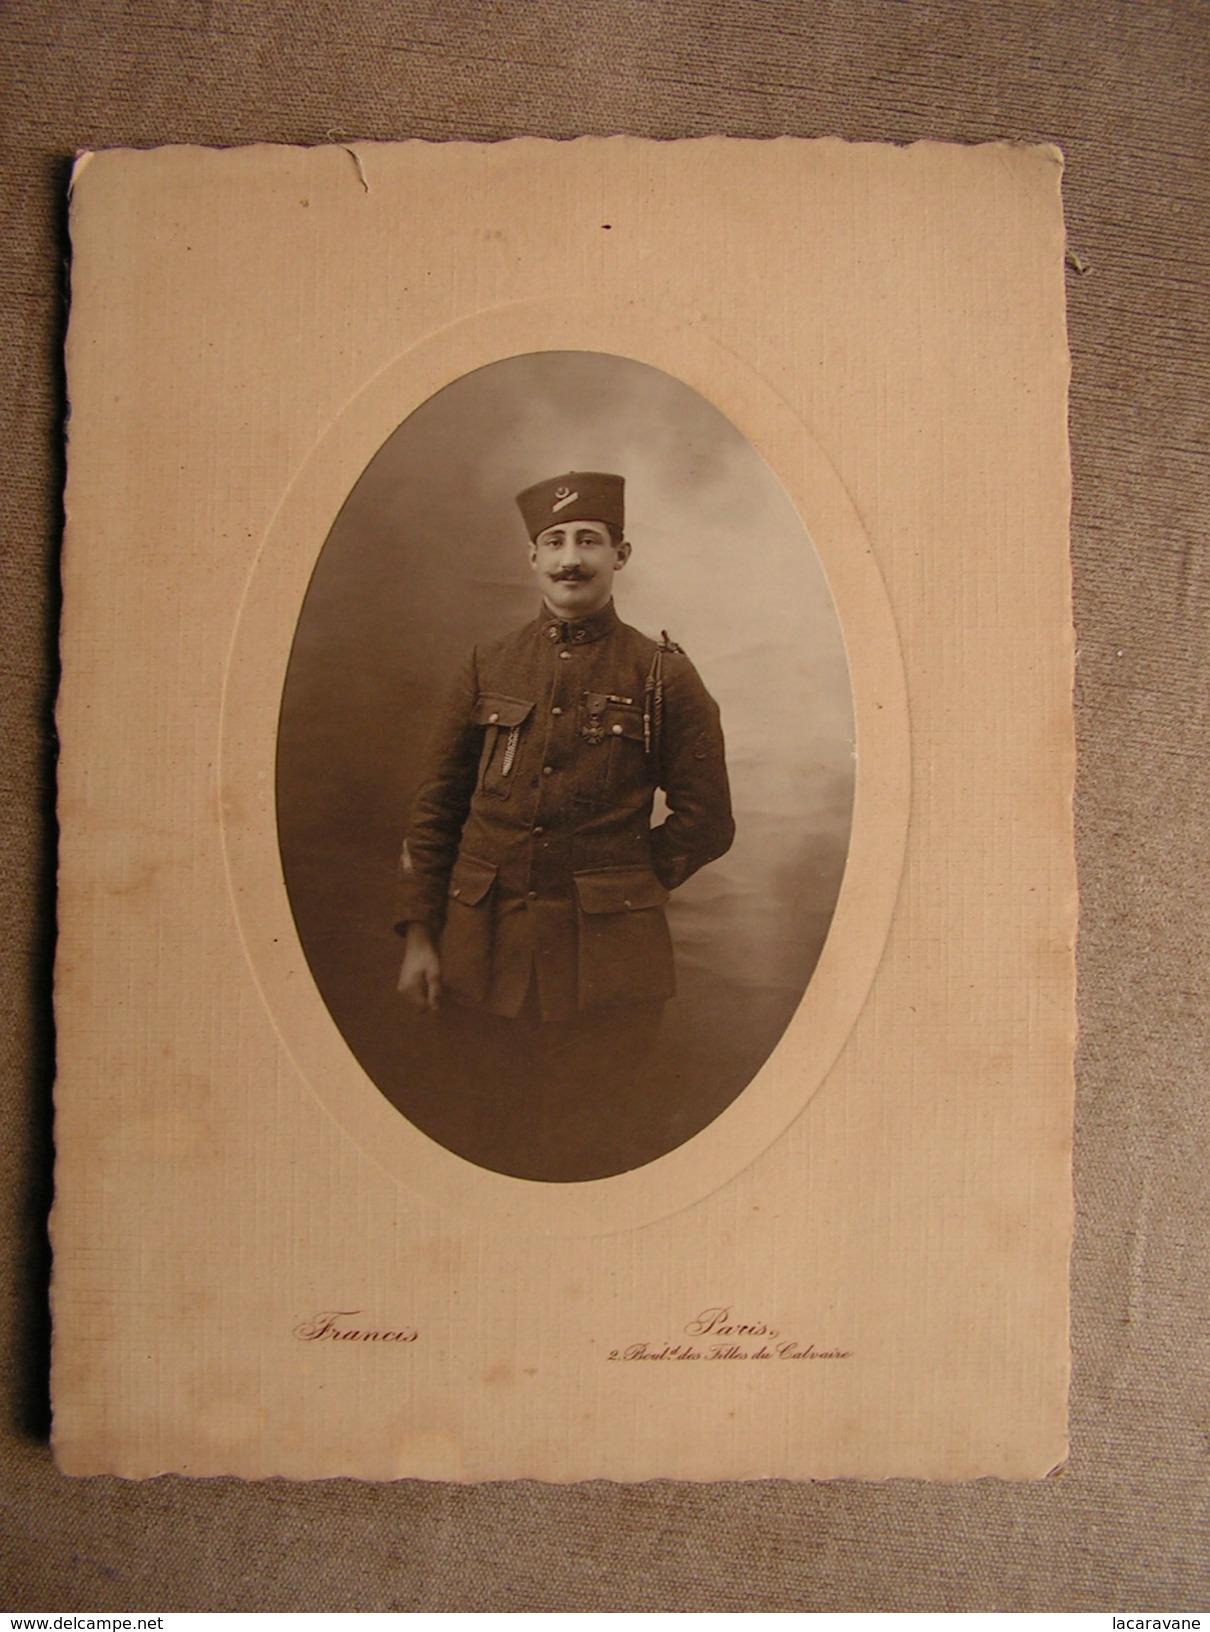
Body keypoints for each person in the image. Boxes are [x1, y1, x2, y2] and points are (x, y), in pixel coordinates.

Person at [395, 470, 735, 1179]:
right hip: (481, 960)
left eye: (589, 540)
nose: (570, 558)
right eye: (554, 542)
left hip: (608, 978)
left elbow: (707, 821)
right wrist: (421, 936)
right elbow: (436, 810)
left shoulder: (661, 675)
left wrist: (626, 888)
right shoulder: (488, 664)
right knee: (484, 1143)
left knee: (585, 1152)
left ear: (622, 554)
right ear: (532, 559)